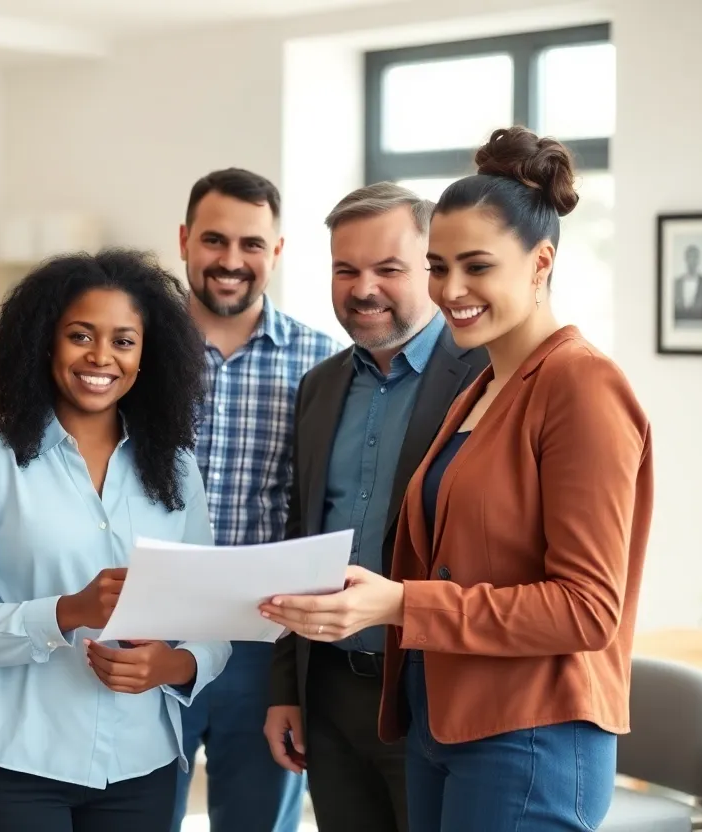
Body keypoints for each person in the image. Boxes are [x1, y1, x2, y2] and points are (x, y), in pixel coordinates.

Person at [259, 127, 653, 832]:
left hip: (531, 732)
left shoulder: (581, 385)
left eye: (477, 267)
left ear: (540, 264)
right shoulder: (486, 388)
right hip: (442, 720)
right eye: (439, 267)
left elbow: (588, 609)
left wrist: (401, 604)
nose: (452, 291)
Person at [0, 249, 232, 832]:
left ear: (148, 355)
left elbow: (209, 621)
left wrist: (177, 664)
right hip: (8, 758)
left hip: (140, 763)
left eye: (123, 341)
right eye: (80, 335)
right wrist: (68, 612)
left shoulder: (177, 469)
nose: (100, 357)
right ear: (45, 342)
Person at [264, 182, 488, 832]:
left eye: (388, 269)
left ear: (432, 270)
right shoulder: (320, 386)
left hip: (429, 692)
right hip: (329, 691)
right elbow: (298, 538)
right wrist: (288, 690)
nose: (363, 288)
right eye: (345, 269)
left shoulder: (482, 379)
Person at [173, 167, 342, 832]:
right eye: (214, 240)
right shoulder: (134, 352)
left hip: (266, 642)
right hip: (151, 631)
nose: (230, 261)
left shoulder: (322, 363)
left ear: (276, 252)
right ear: (185, 240)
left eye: (251, 244)